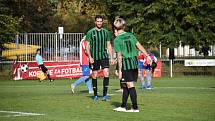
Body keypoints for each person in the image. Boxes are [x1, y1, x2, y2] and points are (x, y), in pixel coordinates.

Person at [113, 18, 151, 112]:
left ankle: (135, 107)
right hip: (134, 62)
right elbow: (139, 45)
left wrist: (120, 69)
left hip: (127, 63)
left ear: (115, 28)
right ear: (124, 26)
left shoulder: (117, 39)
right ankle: (123, 106)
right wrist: (147, 56)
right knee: (126, 85)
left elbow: (119, 55)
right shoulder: (130, 35)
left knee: (130, 85)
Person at [86, 15, 114, 101]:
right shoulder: (90, 32)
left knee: (106, 73)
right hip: (94, 57)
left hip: (104, 56)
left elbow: (109, 45)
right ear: (95, 22)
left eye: (100, 21)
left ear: (102, 22)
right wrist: (90, 57)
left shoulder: (106, 32)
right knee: (94, 75)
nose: (99, 23)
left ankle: (105, 95)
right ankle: (95, 95)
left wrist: (112, 57)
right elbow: (87, 46)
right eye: (97, 21)